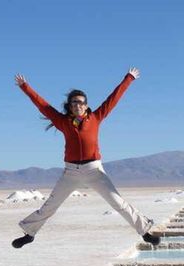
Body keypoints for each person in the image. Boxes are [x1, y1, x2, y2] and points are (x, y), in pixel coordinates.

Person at [11, 67, 160, 248]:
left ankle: (145, 231)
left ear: (86, 105)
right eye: (74, 103)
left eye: (81, 102)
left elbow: (113, 99)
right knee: (51, 205)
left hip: (94, 170)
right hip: (71, 172)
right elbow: (43, 105)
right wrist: (25, 86)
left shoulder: (96, 117)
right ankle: (29, 233)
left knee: (118, 202)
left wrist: (128, 78)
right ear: (70, 106)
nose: (78, 105)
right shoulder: (62, 122)